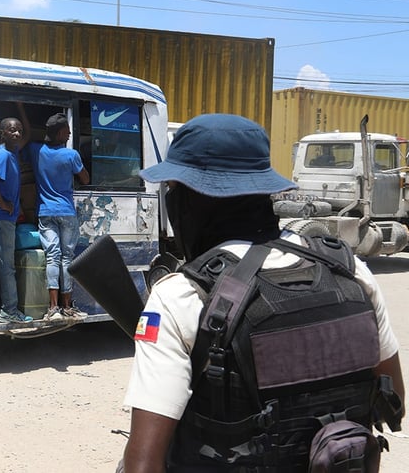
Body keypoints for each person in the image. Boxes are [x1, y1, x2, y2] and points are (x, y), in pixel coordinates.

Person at [119, 114, 404, 472]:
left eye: (175, 191)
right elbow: (394, 400)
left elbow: (143, 466)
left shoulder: (182, 295)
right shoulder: (348, 270)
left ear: (192, 201)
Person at [29, 113, 90, 321]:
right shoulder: (71, 155)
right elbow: (85, 178)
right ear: (61, 133)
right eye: (67, 130)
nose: (70, 133)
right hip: (66, 211)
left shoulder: (36, 151)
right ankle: (67, 306)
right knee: (66, 258)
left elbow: (28, 137)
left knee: (52, 257)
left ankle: (53, 308)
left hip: (45, 212)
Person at [0, 115, 33, 325]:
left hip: (4, 218)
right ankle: (10, 312)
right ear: (2, 133)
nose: (17, 133)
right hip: (2, 218)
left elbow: (28, 136)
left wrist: (22, 108)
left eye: (19, 130)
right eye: (12, 130)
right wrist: (3, 203)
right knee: (8, 268)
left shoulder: (12, 152)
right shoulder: (4, 155)